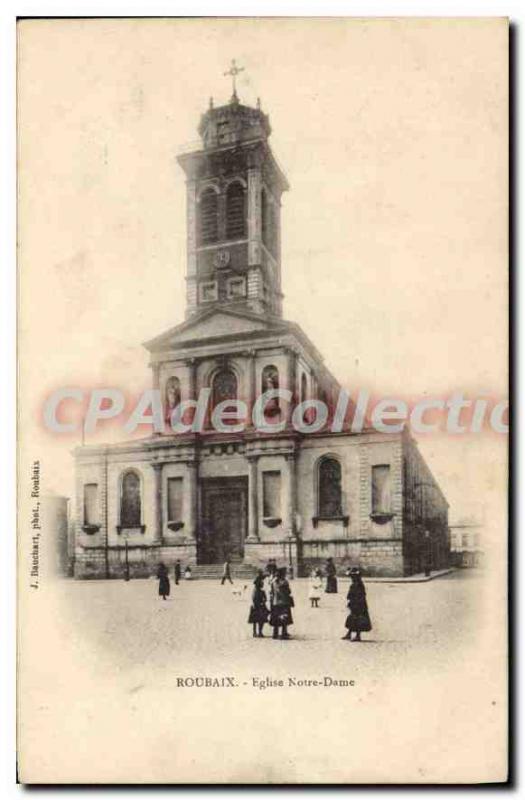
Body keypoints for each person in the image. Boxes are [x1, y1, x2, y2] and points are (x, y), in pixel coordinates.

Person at [342, 567, 372, 641]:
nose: (351, 578)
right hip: (355, 604)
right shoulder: (355, 583)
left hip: (359, 605)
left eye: (352, 576)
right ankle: (349, 634)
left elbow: (360, 595)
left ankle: (358, 636)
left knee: (358, 620)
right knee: (352, 618)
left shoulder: (358, 584)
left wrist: (355, 603)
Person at [270, 567, 294, 639]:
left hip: (275, 602)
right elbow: (288, 591)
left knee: (276, 618)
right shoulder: (284, 582)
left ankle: (275, 633)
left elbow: (271, 592)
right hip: (284, 602)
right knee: (284, 617)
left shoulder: (273, 581)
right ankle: (283, 633)